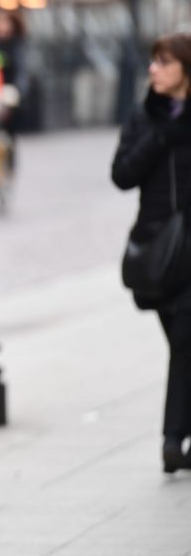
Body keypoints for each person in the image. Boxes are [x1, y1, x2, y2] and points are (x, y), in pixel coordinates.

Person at [112, 32, 191, 474]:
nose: (153, 70)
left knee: (184, 342)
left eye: (163, 62)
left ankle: (172, 438)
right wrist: (161, 137)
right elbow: (122, 174)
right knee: (184, 344)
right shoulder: (145, 116)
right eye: (153, 61)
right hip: (160, 254)